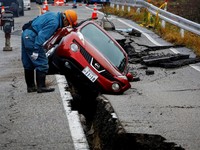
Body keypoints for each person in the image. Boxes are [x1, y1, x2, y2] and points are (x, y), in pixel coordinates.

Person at [21, 10, 78, 93]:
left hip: (26, 34)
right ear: (65, 19)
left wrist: (28, 26)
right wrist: (36, 49)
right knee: (42, 62)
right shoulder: (54, 23)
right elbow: (41, 36)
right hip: (32, 38)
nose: (67, 25)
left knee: (28, 63)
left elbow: (38, 18)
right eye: (68, 23)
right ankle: (41, 87)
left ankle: (31, 87)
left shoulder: (53, 14)